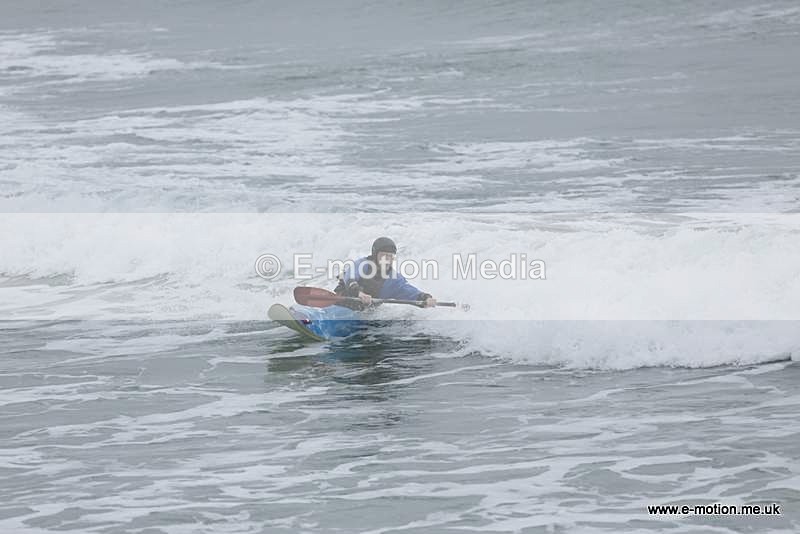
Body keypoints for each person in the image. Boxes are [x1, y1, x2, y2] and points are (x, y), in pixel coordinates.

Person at [334, 237, 437, 309]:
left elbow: (411, 293)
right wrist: (359, 293)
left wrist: (426, 298)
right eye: (384, 255)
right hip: (342, 304)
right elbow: (350, 278)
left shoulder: (394, 279)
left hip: (364, 313)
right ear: (375, 255)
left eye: (391, 256)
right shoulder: (362, 264)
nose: (387, 259)